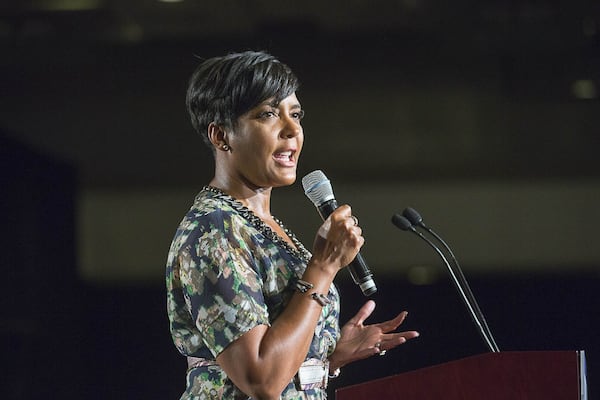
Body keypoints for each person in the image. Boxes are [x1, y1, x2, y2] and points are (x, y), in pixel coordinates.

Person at [166, 50, 419, 400]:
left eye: (296, 114)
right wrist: (324, 264)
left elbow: (278, 360)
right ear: (221, 136)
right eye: (268, 114)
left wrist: (325, 353)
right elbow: (261, 380)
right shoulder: (215, 230)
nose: (292, 130)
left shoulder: (257, 224)